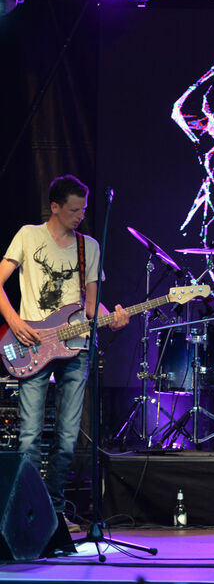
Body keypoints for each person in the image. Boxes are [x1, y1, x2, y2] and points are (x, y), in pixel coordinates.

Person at [0, 175, 129, 523]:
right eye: (73, 210)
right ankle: (23, 512)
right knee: (29, 436)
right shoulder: (29, 236)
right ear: (54, 206)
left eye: (83, 210)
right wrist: (14, 321)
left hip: (77, 347)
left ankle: (53, 513)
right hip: (32, 344)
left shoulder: (90, 246)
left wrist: (112, 316)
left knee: (69, 438)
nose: (79, 216)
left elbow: (91, 306)